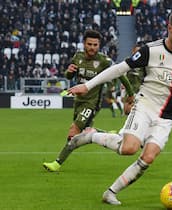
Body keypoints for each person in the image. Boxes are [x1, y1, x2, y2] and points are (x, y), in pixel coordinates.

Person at [66, 9, 172, 205]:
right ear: (170, 28)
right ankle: (91, 135)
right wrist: (87, 85)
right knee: (129, 148)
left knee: (148, 157)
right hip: (145, 106)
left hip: (167, 117)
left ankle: (111, 192)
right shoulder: (151, 50)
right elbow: (119, 68)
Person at [43, 29, 134, 172]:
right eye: (89, 44)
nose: (92, 47)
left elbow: (120, 73)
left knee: (73, 131)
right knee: (85, 132)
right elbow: (68, 76)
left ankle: (57, 163)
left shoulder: (104, 61)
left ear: (99, 45)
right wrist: (69, 72)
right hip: (79, 101)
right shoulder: (77, 57)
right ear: (84, 44)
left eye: (95, 45)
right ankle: (105, 134)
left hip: (92, 104)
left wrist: (130, 93)